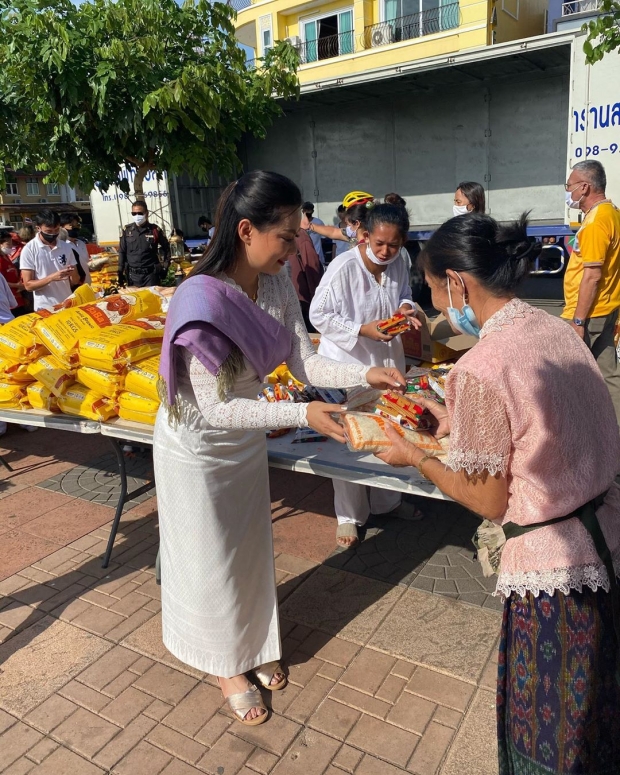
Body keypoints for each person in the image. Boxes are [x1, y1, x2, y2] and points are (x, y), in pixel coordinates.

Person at [153, 170, 404, 727]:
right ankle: (226, 665)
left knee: (247, 552)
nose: (295, 248)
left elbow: (304, 362)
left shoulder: (276, 283)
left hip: (242, 442)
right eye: (287, 237)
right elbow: (214, 409)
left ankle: (253, 643)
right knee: (210, 561)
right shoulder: (201, 298)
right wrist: (300, 411)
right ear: (246, 230)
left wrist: (367, 376)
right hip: (195, 449)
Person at [375, 211, 620, 774]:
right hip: (604, 539)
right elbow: (541, 426)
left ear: (458, 281)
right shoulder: (556, 328)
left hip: (555, 576)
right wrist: (456, 426)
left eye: (435, 289)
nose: (438, 305)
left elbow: (488, 500)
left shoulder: (481, 366)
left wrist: (415, 456)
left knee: (555, 733)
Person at [310, 203, 421, 548]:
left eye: (394, 244)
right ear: (364, 235)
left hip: (388, 359)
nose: (386, 251)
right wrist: (361, 330)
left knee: (390, 427)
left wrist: (406, 309)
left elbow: (404, 294)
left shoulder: (400, 262)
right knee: (351, 438)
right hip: (348, 364)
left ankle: (388, 501)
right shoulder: (343, 267)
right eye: (380, 244)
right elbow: (318, 314)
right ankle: (349, 516)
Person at [563, 160, 620, 424]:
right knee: (609, 375)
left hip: (589, 314)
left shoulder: (597, 221)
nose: (568, 191)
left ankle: (584, 440)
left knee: (572, 381)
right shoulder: (611, 213)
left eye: (569, 185)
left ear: (584, 187)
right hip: (607, 308)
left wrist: (578, 320)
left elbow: (593, 275)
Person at [19, 210, 79, 311]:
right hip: (45, 308)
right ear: (38, 228)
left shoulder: (66, 247)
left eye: (56, 230)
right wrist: (51, 278)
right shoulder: (29, 249)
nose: (53, 234)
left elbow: (75, 280)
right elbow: (28, 285)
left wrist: (72, 273)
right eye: (48, 232)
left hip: (68, 304)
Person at [118, 201, 170, 287]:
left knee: (151, 299)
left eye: (140, 213)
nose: (137, 216)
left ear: (147, 213)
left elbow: (167, 249)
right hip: (133, 276)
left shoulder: (155, 230)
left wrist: (165, 267)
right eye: (134, 213)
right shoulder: (127, 231)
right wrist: (120, 271)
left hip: (151, 275)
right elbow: (122, 252)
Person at [288, 229, 323, 332]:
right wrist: (316, 299)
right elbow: (312, 265)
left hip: (295, 297)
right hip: (301, 299)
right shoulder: (299, 234)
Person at [59, 214, 91, 286]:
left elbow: (85, 263)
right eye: (71, 226)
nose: (74, 228)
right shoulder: (63, 246)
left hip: (87, 284)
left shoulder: (81, 243)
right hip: (74, 286)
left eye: (76, 225)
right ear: (61, 228)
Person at [0, 232, 27, 314]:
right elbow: (1, 282)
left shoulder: (7, 257)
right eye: (8, 244)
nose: (11, 246)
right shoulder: (0, 260)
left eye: (11, 242)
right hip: (8, 301)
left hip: (17, 298)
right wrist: (17, 285)